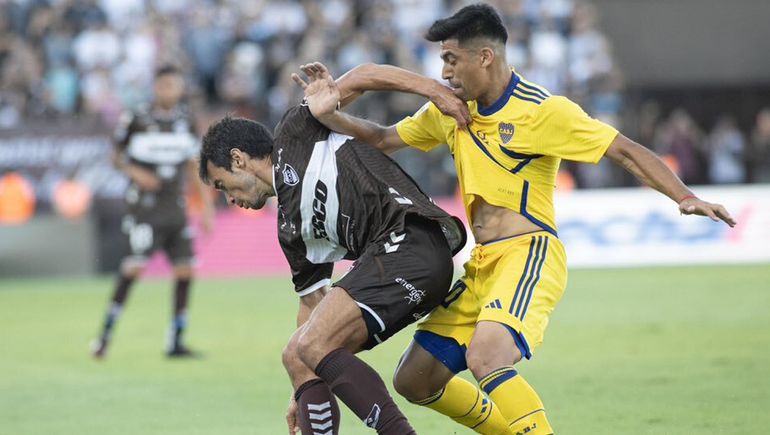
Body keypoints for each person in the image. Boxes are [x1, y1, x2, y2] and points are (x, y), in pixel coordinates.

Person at [291, 4, 736, 434]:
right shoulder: (451, 110)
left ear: (484, 57)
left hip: (529, 253)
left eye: (451, 60)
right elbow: (385, 138)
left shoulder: (541, 111)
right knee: (414, 379)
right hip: (482, 265)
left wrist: (684, 196)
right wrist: (333, 117)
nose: (444, 73)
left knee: (487, 357)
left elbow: (623, 150)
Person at [197, 97, 468, 433]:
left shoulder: (294, 135)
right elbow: (311, 304)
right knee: (297, 353)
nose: (229, 198)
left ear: (238, 159)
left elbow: (362, 78)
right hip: (404, 264)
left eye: (222, 185)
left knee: (311, 344)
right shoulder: (291, 229)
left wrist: (434, 90)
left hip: (410, 242)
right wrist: (302, 381)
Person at [92, 65, 214, 359]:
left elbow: (193, 165)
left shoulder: (185, 120)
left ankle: (175, 341)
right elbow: (115, 156)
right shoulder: (136, 118)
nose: (169, 91)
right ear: (155, 88)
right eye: (164, 86)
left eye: (174, 86)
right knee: (133, 268)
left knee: (185, 270)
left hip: (175, 207)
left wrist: (207, 206)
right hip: (144, 208)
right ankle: (104, 336)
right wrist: (136, 173)